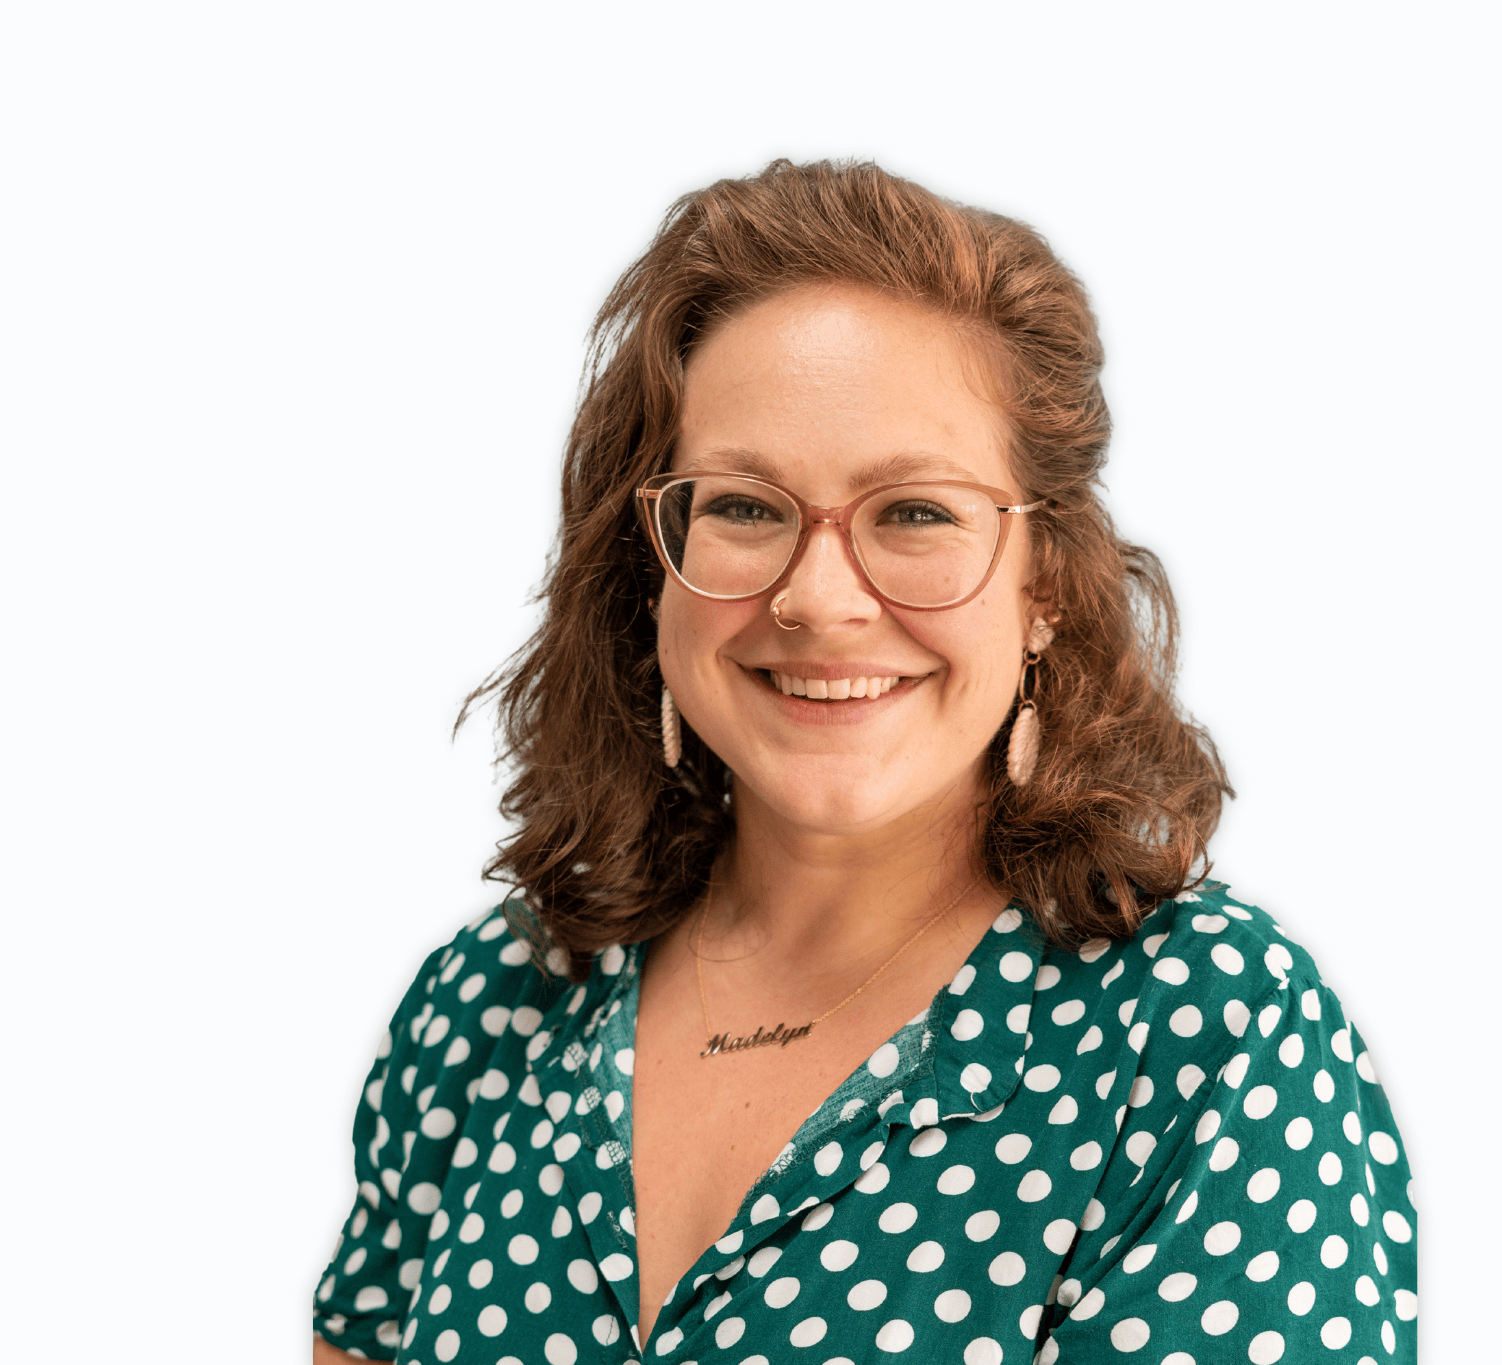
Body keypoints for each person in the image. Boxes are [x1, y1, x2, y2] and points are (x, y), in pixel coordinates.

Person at [310, 160, 1415, 1364]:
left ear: (1045, 583)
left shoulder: (1207, 1037)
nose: (819, 600)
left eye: (915, 512)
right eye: (743, 507)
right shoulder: (493, 1002)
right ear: (651, 566)